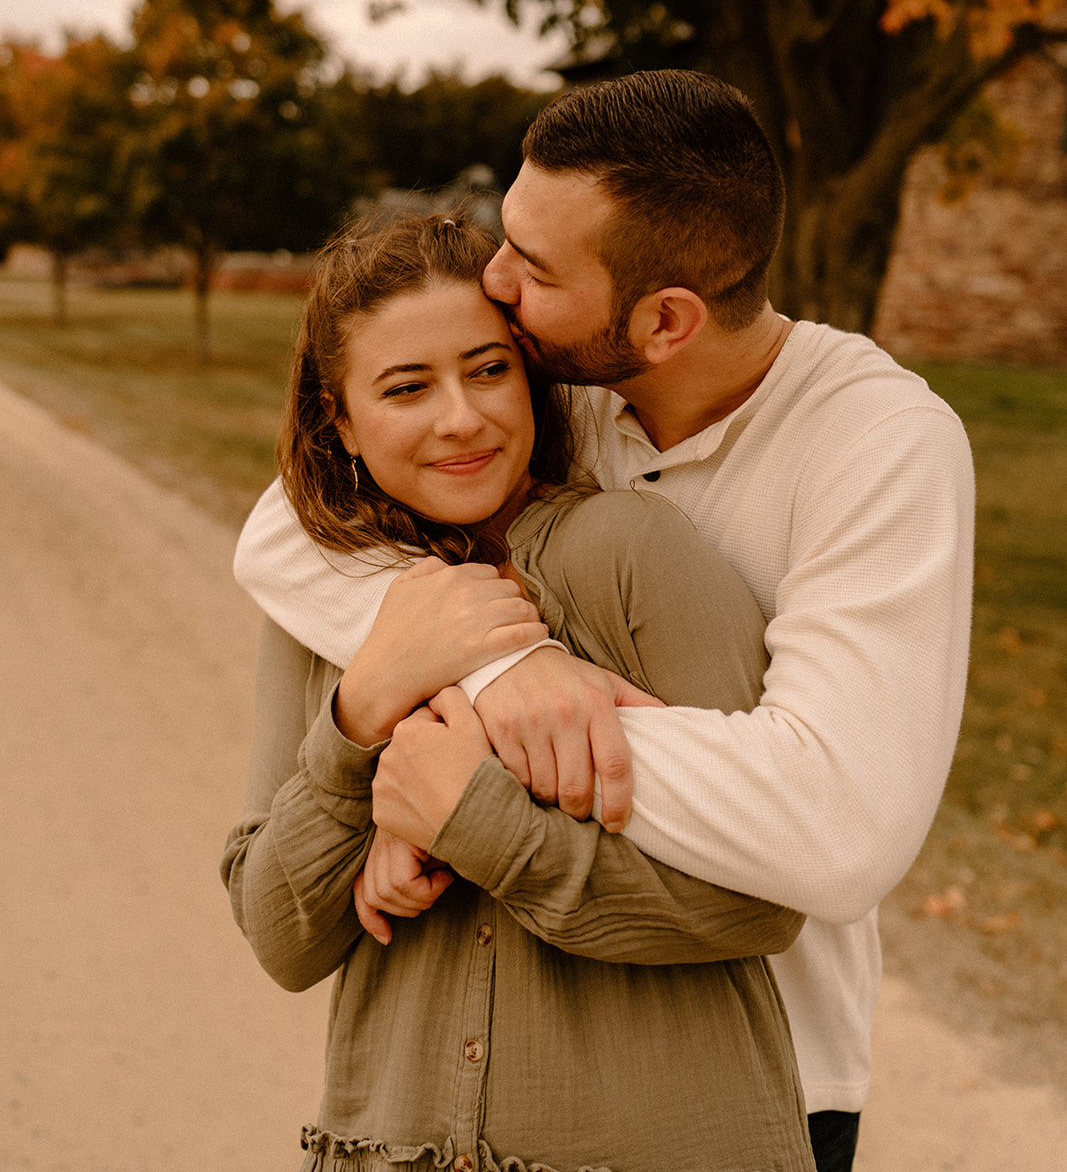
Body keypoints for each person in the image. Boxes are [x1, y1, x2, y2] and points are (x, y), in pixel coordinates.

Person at [235, 72, 976, 1172]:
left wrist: (467, 754)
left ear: (662, 319)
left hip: (753, 1072)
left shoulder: (874, 445)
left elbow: (834, 829)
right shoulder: (543, 381)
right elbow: (287, 524)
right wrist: (490, 674)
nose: (494, 281)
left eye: (531, 267)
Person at [223, 210, 817, 1172]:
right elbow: (282, 940)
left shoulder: (631, 552)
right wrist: (359, 718)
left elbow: (764, 902)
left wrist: (469, 818)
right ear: (339, 415)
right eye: (406, 388)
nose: (462, 417)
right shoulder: (320, 602)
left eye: (488, 369)